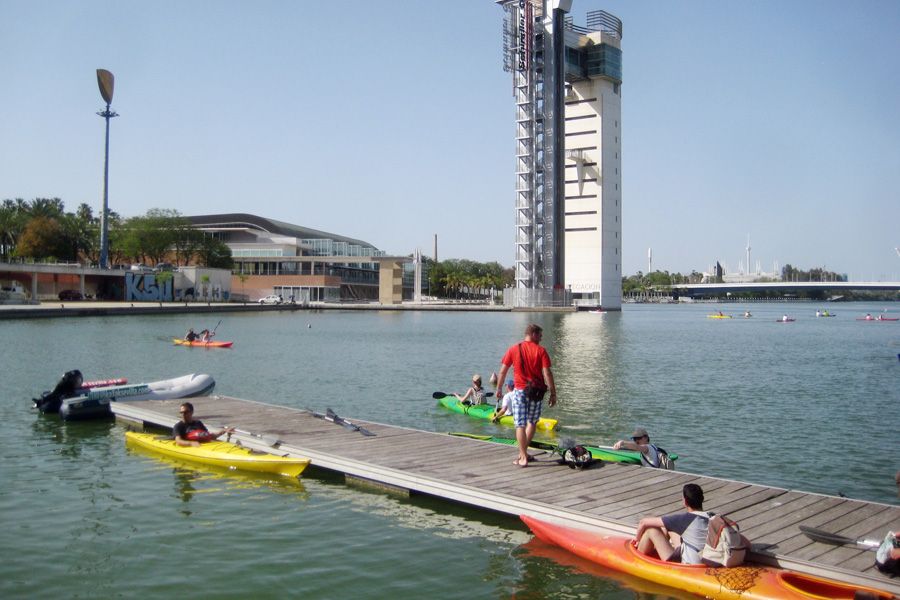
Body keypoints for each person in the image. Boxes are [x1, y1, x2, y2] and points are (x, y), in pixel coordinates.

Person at [494, 323, 557, 467]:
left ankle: (522, 456)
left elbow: (503, 371)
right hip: (536, 392)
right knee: (532, 422)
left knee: (520, 424)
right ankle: (524, 453)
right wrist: (553, 393)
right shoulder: (541, 351)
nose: (541, 339)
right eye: (540, 336)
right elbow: (547, 373)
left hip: (520, 391)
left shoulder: (514, 349)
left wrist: (499, 388)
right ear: (533, 334)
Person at [635, 483, 709, 564]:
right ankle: (657, 552)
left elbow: (643, 522)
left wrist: (637, 540)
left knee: (651, 530)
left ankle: (637, 559)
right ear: (702, 499)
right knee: (669, 527)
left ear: (685, 502)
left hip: (689, 564)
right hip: (706, 559)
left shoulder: (684, 519)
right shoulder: (712, 517)